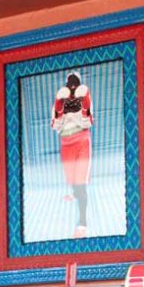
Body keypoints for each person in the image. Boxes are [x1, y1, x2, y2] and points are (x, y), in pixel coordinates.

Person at [51, 71, 93, 238]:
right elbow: (55, 126)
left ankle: (83, 222)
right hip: (66, 142)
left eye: (76, 84)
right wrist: (59, 104)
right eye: (70, 84)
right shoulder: (61, 99)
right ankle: (75, 193)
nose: (73, 87)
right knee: (73, 180)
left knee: (81, 182)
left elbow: (88, 122)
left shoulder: (84, 97)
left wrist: (84, 103)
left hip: (82, 140)